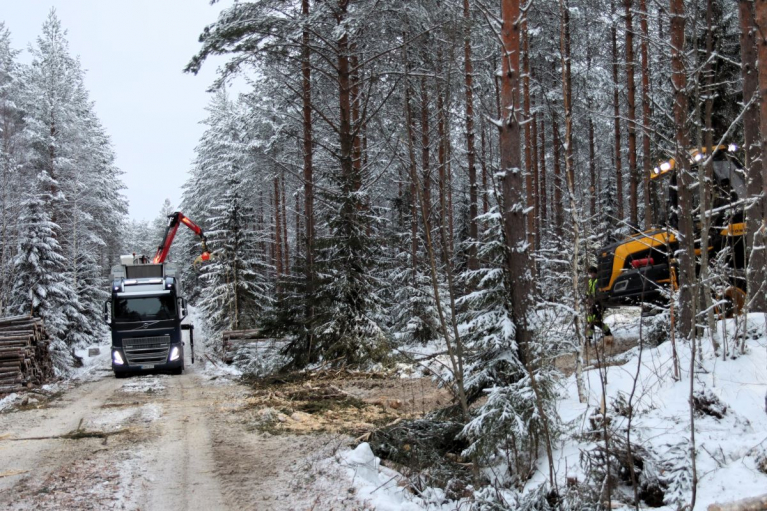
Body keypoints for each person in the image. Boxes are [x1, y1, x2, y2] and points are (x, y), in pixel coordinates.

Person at [586, 266, 614, 346]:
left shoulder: (600, 281)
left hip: (599, 304)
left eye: (592, 273)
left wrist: (597, 301)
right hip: (592, 304)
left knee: (596, 321)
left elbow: (601, 293)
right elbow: (588, 293)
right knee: (590, 321)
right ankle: (589, 339)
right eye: (589, 273)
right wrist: (587, 299)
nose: (591, 275)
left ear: (595, 272)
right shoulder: (590, 281)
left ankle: (608, 334)